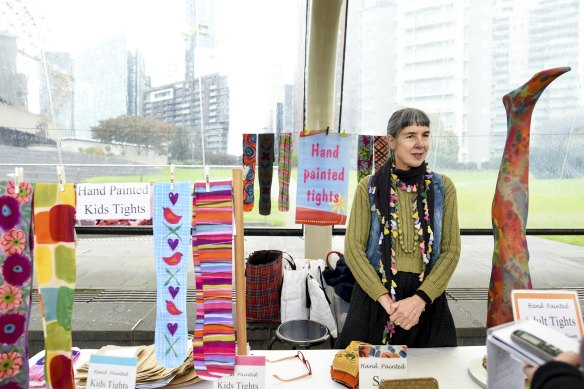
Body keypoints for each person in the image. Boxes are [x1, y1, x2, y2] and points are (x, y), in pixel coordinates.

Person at [336, 107, 461, 348]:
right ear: (392, 141)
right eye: (410, 135)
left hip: (427, 301)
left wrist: (420, 300)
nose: (420, 144)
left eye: (425, 135)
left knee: (432, 377)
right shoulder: (369, 187)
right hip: (375, 300)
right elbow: (353, 250)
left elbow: (451, 250)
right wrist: (386, 301)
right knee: (361, 377)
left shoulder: (443, 188)